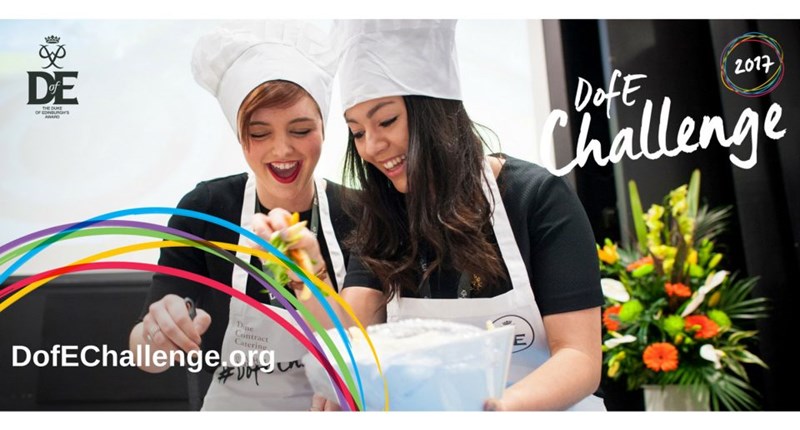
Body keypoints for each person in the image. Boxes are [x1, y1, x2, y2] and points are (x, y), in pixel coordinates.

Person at [332, 20, 606, 411]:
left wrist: (498, 409)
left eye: (387, 121)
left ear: (435, 112)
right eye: (357, 132)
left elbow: (578, 357)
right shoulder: (383, 217)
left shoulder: (536, 198)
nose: (372, 147)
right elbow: (353, 336)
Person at [127, 20, 351, 411]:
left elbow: (367, 345)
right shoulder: (206, 209)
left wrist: (310, 276)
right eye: (260, 133)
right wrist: (158, 336)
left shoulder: (359, 213)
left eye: (300, 130)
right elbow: (146, 357)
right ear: (240, 136)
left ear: (323, 129)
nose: (282, 150)